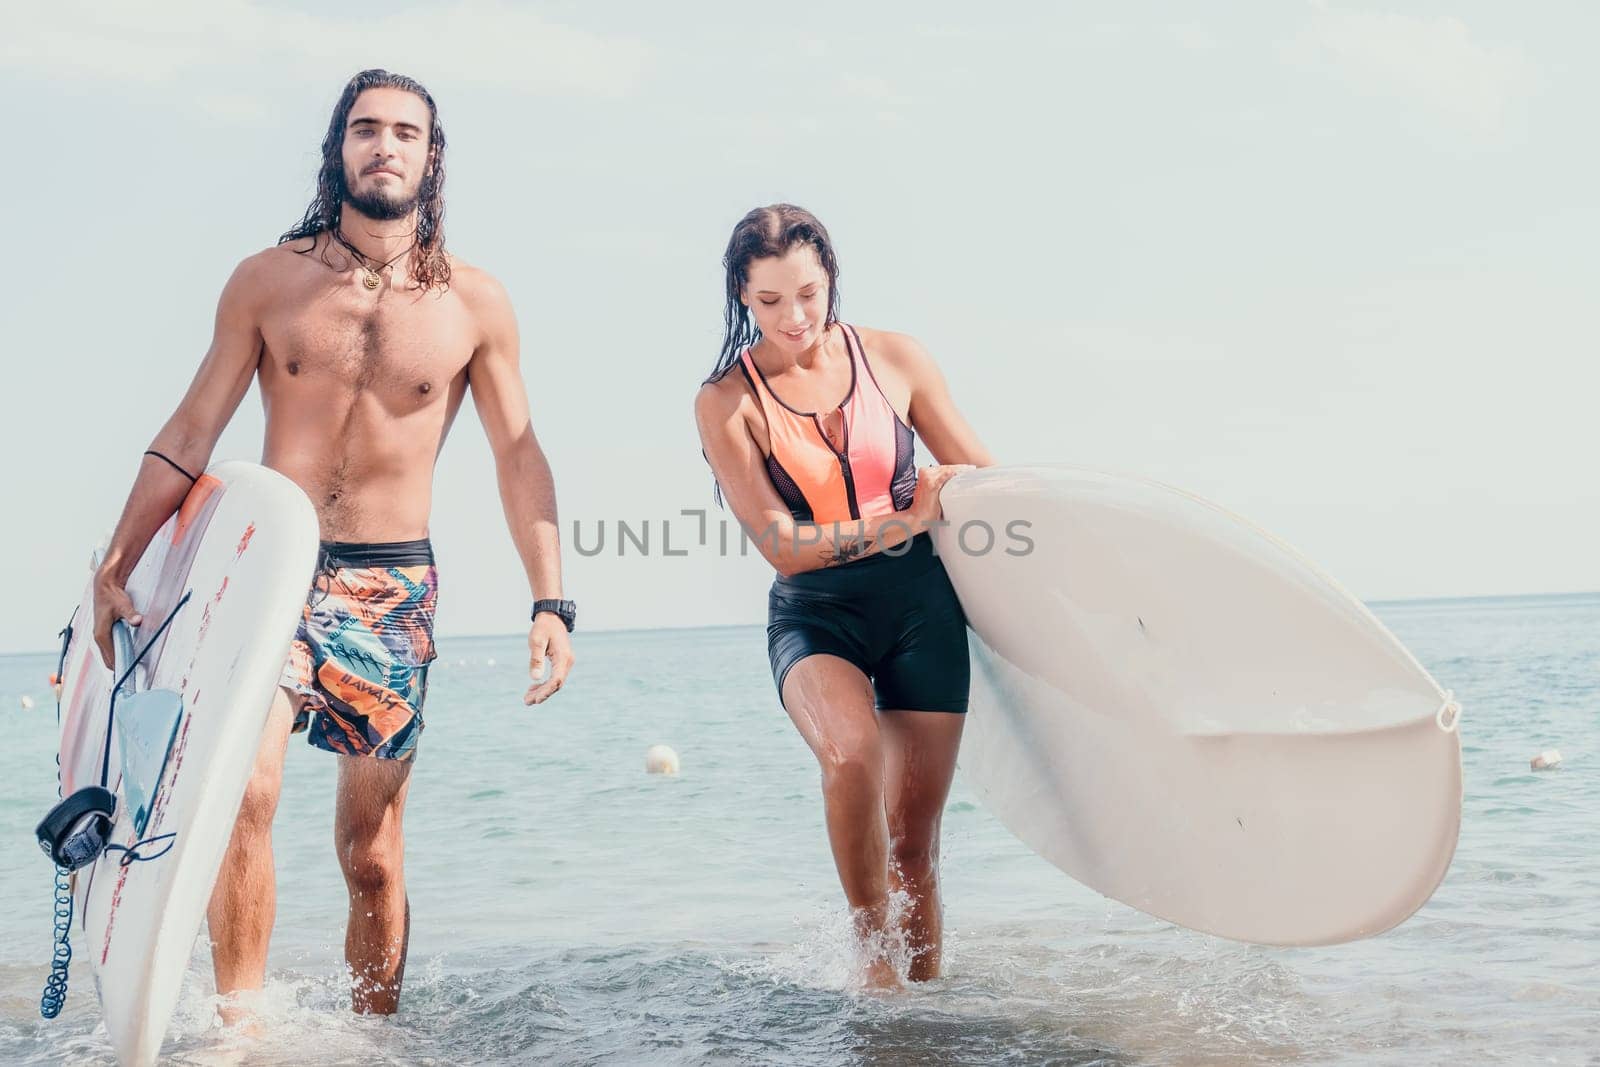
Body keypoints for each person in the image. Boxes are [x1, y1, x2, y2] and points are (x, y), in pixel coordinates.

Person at [88, 69, 577, 1017]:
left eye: (405, 132)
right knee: (248, 792)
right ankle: (244, 1028)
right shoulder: (268, 283)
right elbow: (191, 431)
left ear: (432, 157)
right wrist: (118, 560)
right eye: (365, 129)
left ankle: (373, 1036)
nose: (384, 145)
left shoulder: (474, 304)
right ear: (337, 147)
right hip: (273, 572)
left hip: (393, 588)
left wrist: (550, 600)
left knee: (371, 850)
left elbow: (520, 455)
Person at [694, 204, 993, 988]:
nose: (794, 318)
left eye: (809, 294)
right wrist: (906, 517)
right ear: (741, 297)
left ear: (831, 279)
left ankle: (924, 1020)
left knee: (913, 846)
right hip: (816, 613)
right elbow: (782, 548)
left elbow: (983, 476)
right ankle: (872, 964)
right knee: (849, 751)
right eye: (769, 302)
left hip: (921, 608)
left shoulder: (896, 358)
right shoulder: (727, 401)